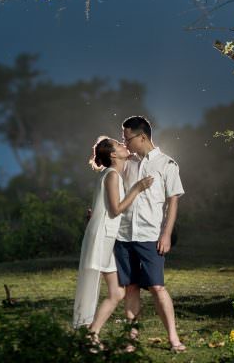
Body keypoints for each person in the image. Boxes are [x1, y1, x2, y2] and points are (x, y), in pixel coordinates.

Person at [115, 115, 186, 353]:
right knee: (131, 288)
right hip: (124, 235)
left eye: (128, 139)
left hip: (150, 235)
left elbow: (173, 202)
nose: (125, 144)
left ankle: (174, 339)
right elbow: (117, 195)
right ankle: (131, 340)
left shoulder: (167, 164)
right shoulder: (128, 164)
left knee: (157, 287)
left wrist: (166, 234)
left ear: (142, 136)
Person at [73, 136, 154, 336]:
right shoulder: (111, 175)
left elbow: (107, 207)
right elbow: (117, 209)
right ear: (113, 154)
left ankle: (91, 334)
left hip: (106, 237)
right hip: (102, 237)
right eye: (119, 145)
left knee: (117, 293)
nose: (123, 145)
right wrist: (137, 188)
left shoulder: (111, 175)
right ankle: (90, 334)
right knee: (113, 292)